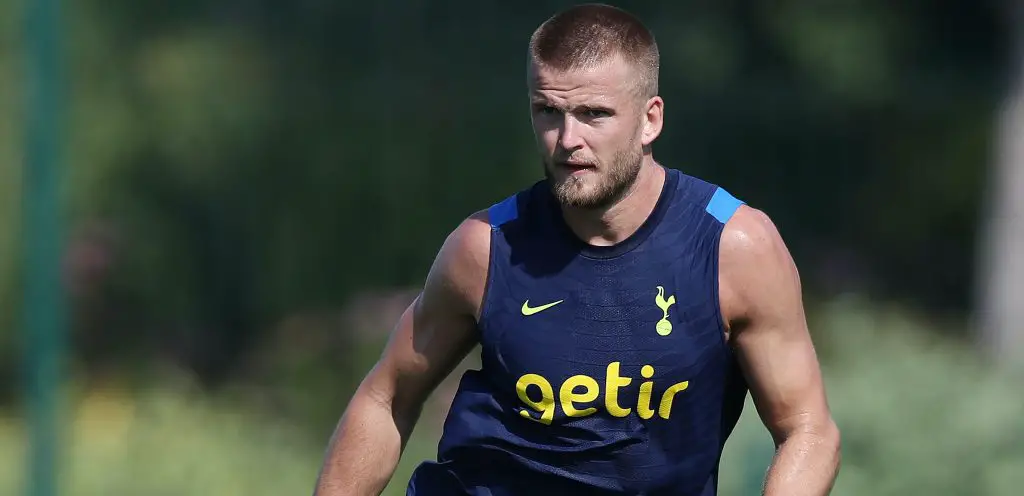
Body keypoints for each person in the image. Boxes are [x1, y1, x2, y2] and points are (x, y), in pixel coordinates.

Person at [314, 4, 840, 495]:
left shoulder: (735, 248)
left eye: (593, 114)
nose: (567, 139)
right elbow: (386, 398)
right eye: (548, 111)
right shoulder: (485, 247)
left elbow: (808, 430)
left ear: (650, 119)